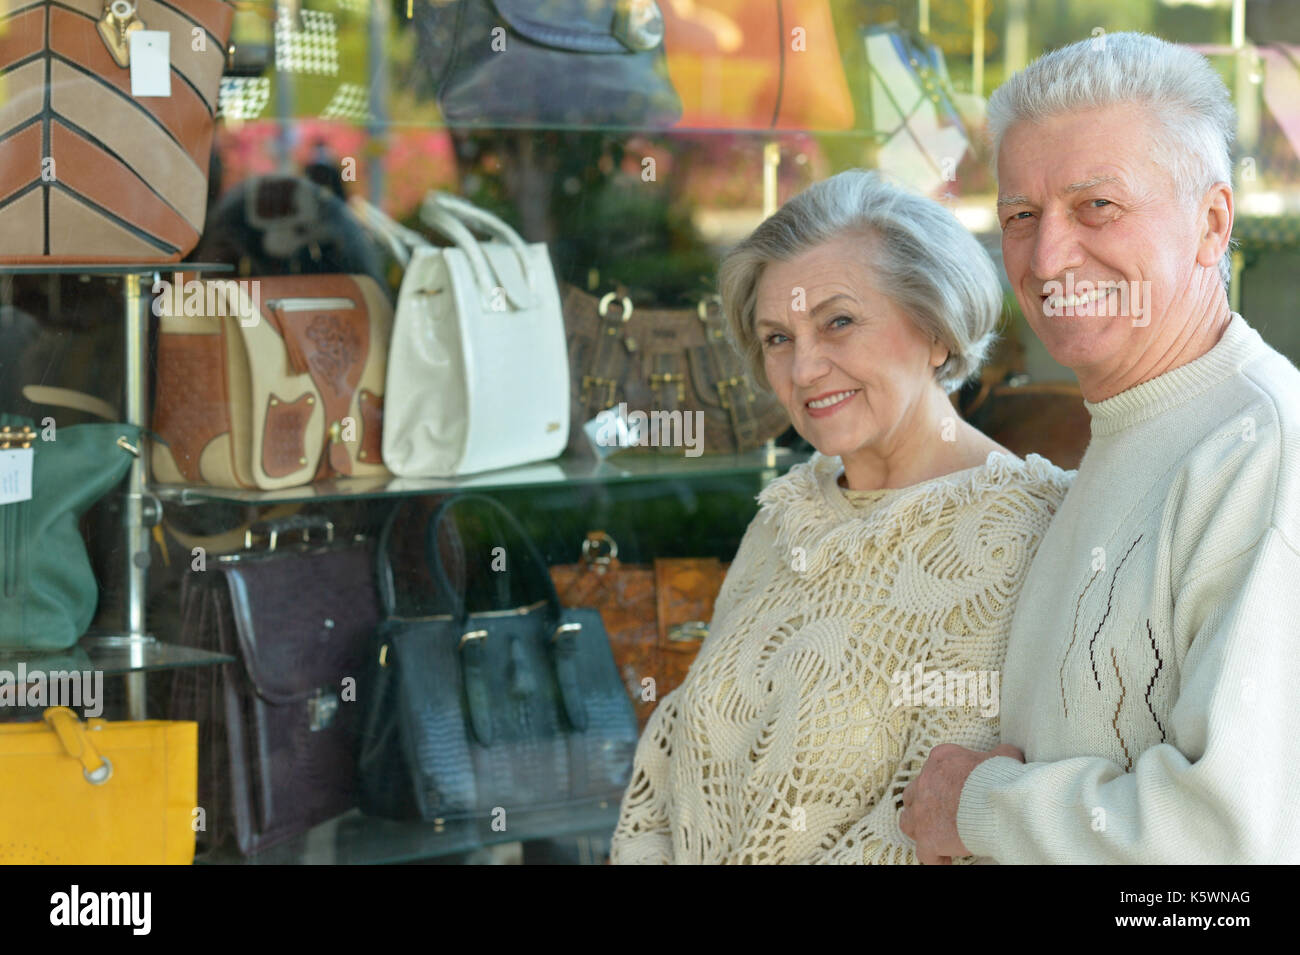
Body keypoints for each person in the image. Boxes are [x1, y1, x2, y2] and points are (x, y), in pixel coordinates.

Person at [900, 31, 1300, 864]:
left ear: (1211, 222)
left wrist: (976, 807)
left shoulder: (1266, 454)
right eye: (1020, 216)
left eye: (1098, 206)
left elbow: (1227, 858)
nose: (1047, 257)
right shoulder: (1130, 432)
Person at [609, 169, 1073, 864]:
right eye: (776, 338)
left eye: (839, 322)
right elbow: (671, 765)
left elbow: (935, 835)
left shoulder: (1027, 532)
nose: (803, 369)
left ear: (937, 330)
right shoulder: (789, 512)